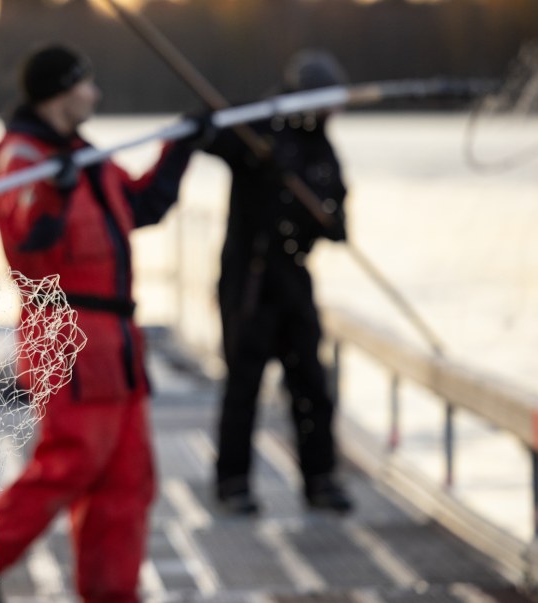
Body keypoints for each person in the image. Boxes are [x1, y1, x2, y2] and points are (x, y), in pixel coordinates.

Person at [0, 43, 208, 602]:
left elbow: (145, 205)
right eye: (86, 84)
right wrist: (54, 190)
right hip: (63, 335)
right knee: (71, 462)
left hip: (117, 342)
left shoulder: (85, 154)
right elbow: (27, 236)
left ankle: (110, 592)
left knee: (129, 478)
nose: (95, 94)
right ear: (61, 92)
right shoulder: (20, 157)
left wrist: (182, 146)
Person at [202, 49, 354, 515]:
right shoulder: (258, 131)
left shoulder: (324, 148)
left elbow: (339, 221)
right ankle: (233, 484)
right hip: (250, 282)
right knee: (244, 383)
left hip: (294, 279)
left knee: (310, 382)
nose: (330, 113)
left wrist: (329, 220)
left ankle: (320, 479)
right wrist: (251, 142)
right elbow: (209, 134)